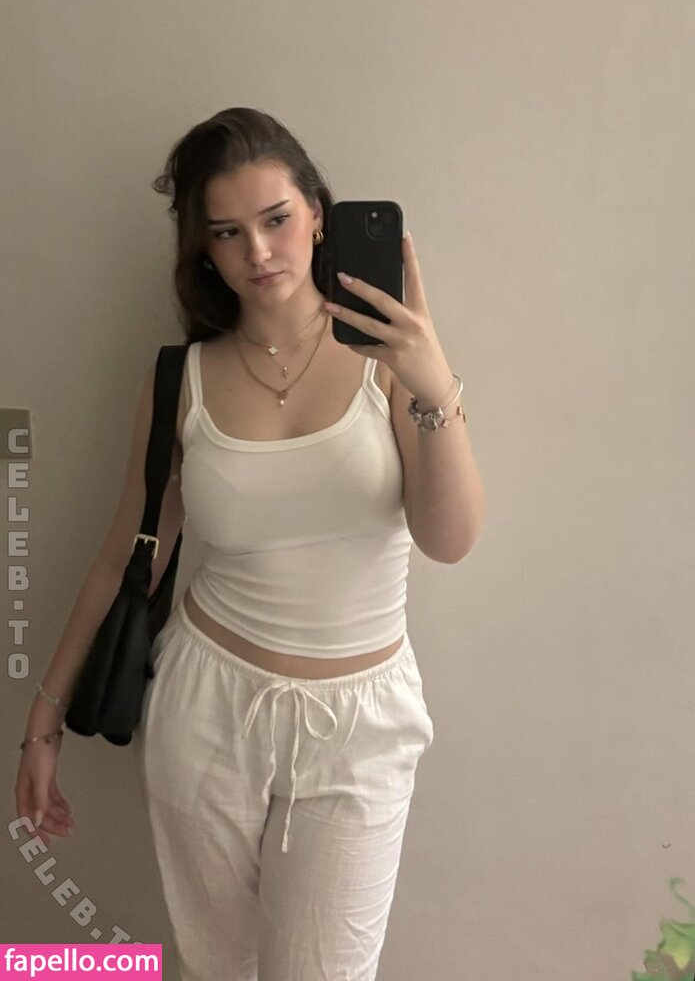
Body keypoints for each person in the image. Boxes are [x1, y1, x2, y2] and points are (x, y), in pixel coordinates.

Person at [15, 107, 485, 980]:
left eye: (275, 220)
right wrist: (42, 721)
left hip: (360, 722)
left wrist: (433, 387)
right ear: (203, 248)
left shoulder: (390, 362)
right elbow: (126, 555)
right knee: (218, 965)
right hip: (207, 706)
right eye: (227, 232)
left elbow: (449, 540)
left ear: (317, 215)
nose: (258, 252)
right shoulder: (182, 378)